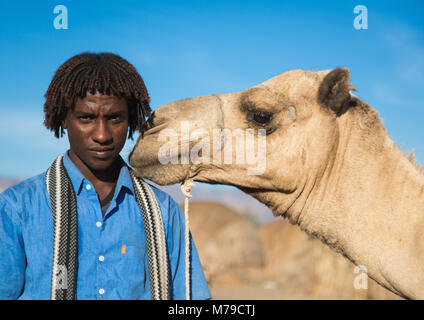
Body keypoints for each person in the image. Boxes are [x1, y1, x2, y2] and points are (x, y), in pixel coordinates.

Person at [0, 52, 211, 300]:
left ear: (131, 120)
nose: (102, 135)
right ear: (64, 119)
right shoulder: (18, 206)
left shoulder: (163, 212)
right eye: (86, 118)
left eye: (114, 118)